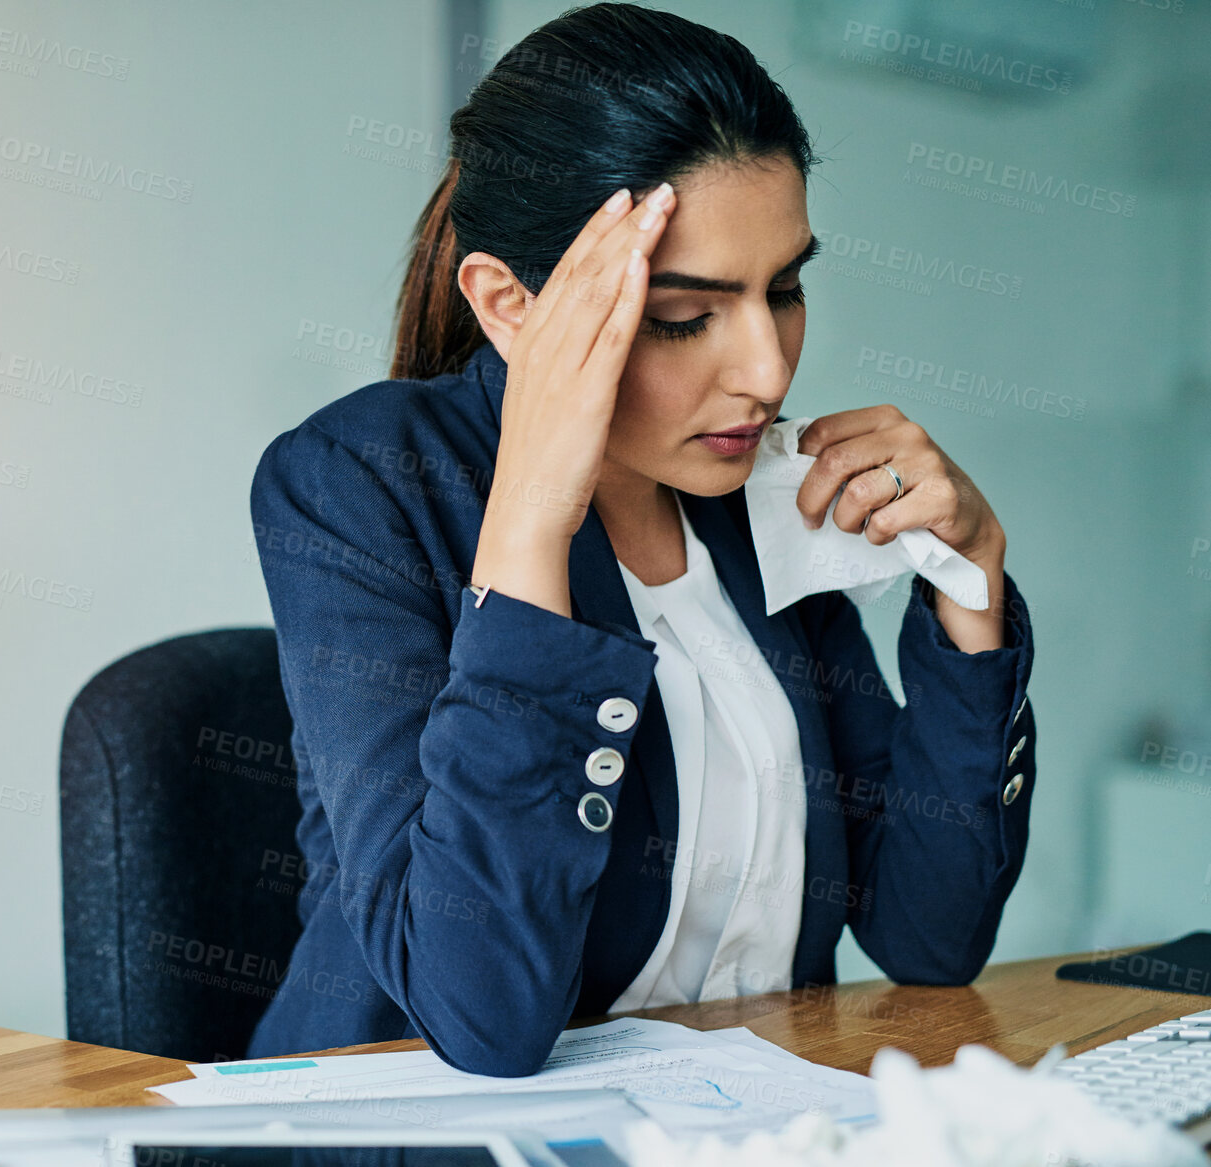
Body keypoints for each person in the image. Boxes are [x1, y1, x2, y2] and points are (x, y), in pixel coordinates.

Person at [245, 2, 1035, 1078]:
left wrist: (970, 582)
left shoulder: (752, 493)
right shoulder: (360, 480)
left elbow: (928, 938)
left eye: (785, 289)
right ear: (509, 304)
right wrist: (527, 526)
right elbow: (485, 1020)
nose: (765, 369)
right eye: (682, 315)